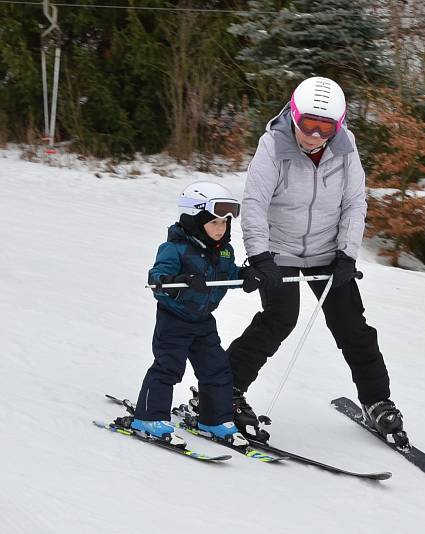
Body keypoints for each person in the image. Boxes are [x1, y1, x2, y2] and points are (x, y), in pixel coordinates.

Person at [228, 76, 406, 444]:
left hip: (328, 251)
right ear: (293, 115)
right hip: (280, 250)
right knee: (278, 320)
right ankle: (224, 389)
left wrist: (346, 253)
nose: (314, 135)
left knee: (352, 326)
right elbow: (255, 205)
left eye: (326, 128)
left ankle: (377, 401)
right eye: (308, 124)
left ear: (339, 127)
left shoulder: (346, 149)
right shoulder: (272, 147)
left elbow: (355, 202)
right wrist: (260, 256)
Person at [131, 181, 256, 447]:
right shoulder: (175, 249)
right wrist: (179, 281)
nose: (220, 229)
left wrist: (244, 276)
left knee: (217, 370)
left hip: (203, 322)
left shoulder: (223, 251)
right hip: (173, 320)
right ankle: (149, 418)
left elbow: (228, 274)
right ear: (193, 220)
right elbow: (157, 279)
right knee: (168, 368)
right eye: (214, 223)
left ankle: (213, 420)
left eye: (225, 223)